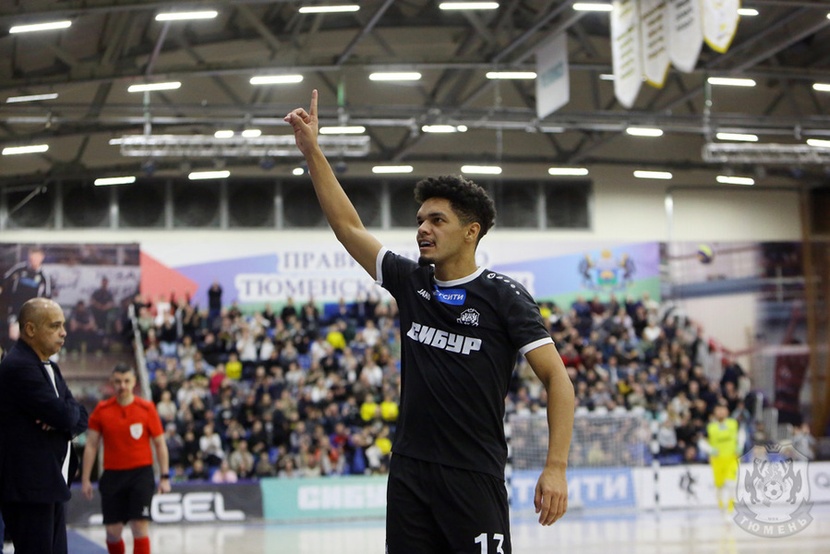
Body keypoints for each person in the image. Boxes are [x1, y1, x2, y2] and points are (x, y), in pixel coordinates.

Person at [285, 90, 574, 553]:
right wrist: (312, 151)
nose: (423, 228)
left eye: (437, 220)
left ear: (471, 231)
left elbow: (558, 380)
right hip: (409, 474)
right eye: (421, 219)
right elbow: (349, 227)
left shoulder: (505, 297)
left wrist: (555, 466)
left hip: (473, 475)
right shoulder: (410, 281)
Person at [0, 298, 89, 554]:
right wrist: (64, 416)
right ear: (30, 329)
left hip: (49, 485)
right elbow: (66, 415)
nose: (64, 332)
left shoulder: (48, 366)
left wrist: (62, 417)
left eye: (63, 325)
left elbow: (79, 415)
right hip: (30, 489)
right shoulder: (19, 366)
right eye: (54, 326)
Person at [81, 364, 171, 554]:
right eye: (118, 381)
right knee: (113, 532)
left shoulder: (147, 408)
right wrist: (86, 478)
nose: (122, 385)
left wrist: (164, 476)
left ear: (134, 382)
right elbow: (91, 445)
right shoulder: (102, 410)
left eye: (127, 381)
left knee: (139, 526)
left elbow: (160, 444)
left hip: (141, 475)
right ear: (112, 383)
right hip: (112, 476)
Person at [2, 245, 53, 344]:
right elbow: (5, 279)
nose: (33, 260)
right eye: (32, 257)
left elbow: (47, 296)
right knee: (13, 336)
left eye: (36, 257)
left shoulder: (44, 276)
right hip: (16, 308)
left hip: (32, 311)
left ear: (41, 258)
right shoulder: (20, 268)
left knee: (29, 338)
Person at [705, 401, 742, 520]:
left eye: (723, 409)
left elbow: (741, 435)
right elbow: (702, 441)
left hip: (731, 459)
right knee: (719, 487)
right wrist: (710, 450)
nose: (721, 412)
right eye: (718, 409)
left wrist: (740, 447)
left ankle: (730, 510)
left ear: (727, 411)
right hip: (717, 461)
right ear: (715, 412)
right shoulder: (710, 427)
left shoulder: (733, 423)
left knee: (731, 485)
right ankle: (722, 507)